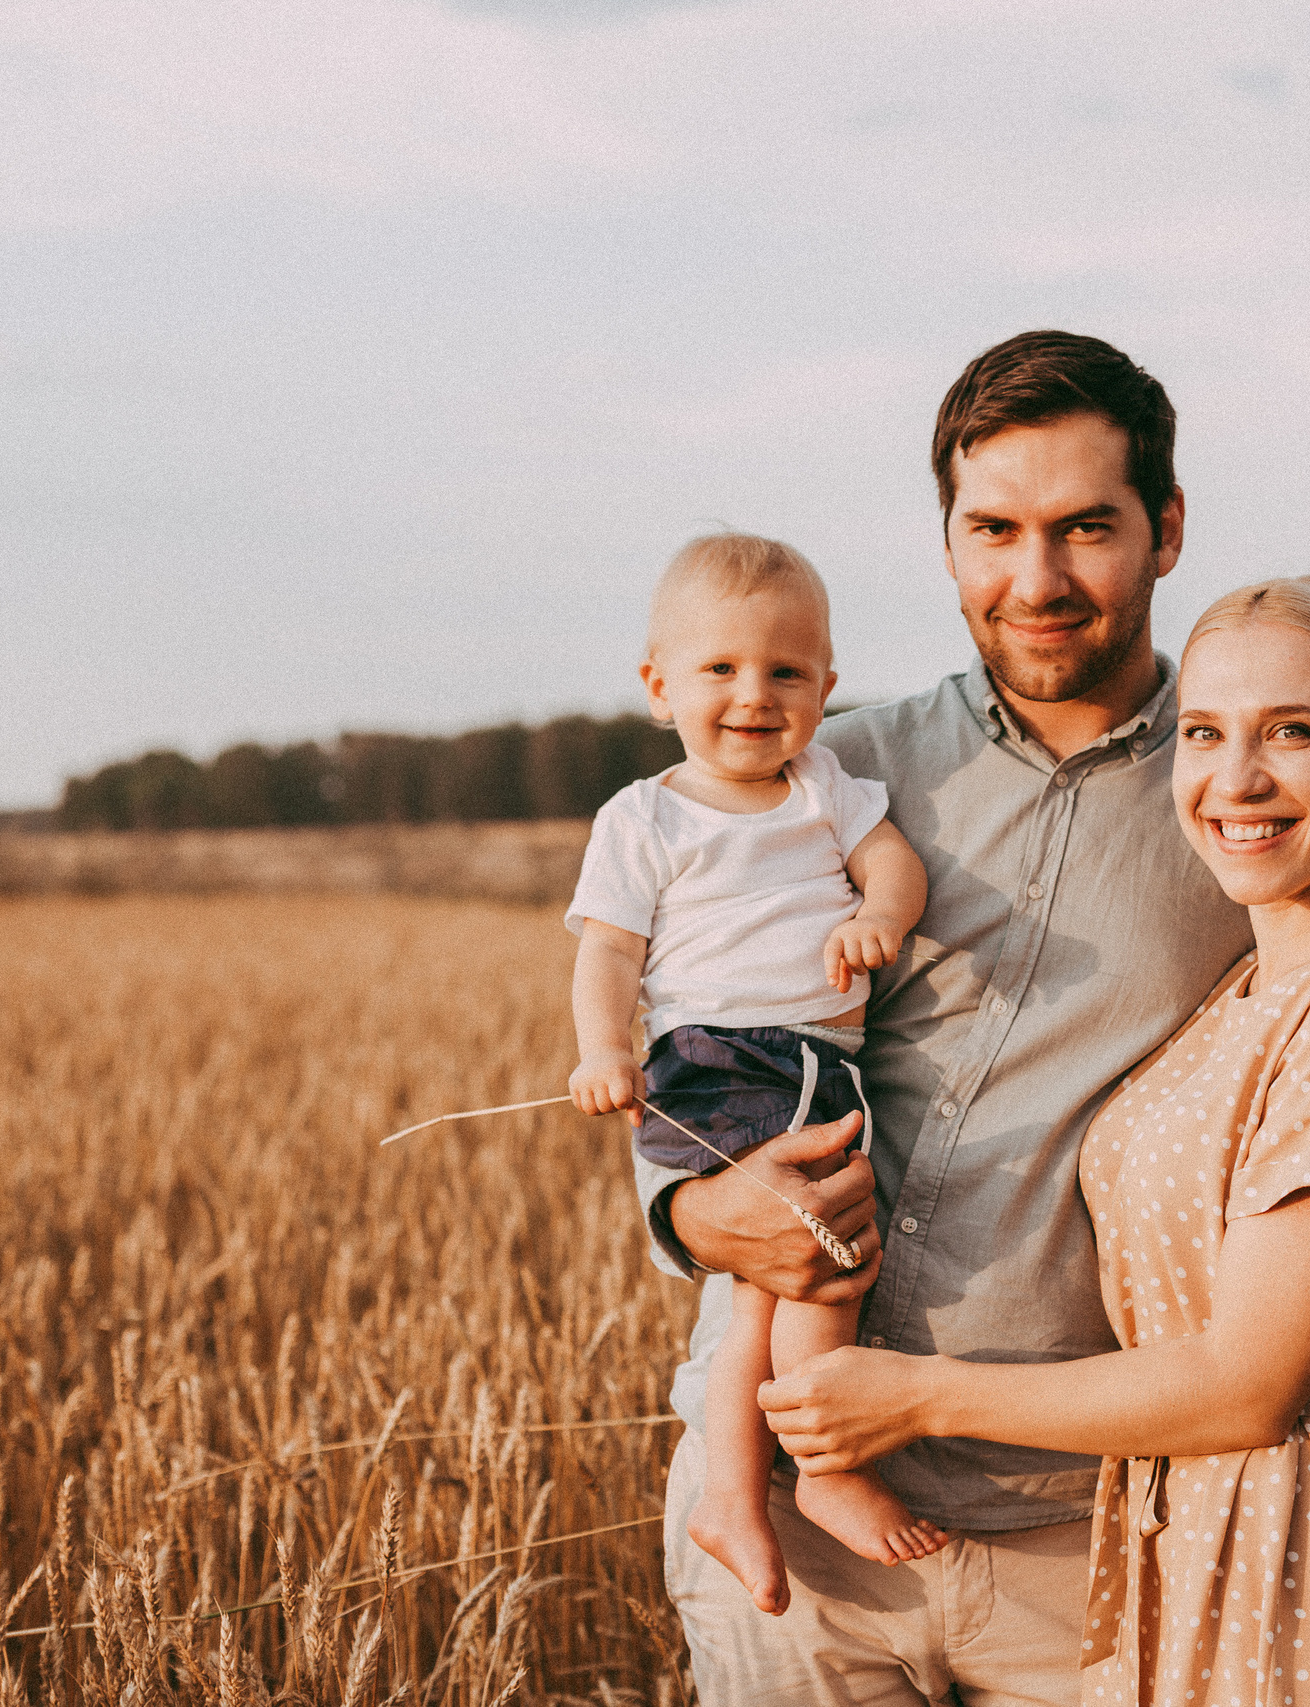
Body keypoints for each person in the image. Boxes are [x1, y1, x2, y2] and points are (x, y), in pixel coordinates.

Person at [630, 332, 1310, 1703]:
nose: (1034, 581)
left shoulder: (1237, 802)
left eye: (1085, 527)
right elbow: (700, 1017)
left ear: (1165, 530)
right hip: (796, 1516)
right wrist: (679, 1213)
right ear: (947, 537)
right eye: (994, 530)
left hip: (1089, 1535)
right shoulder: (835, 770)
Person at [762, 576, 1310, 1703]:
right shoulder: (1254, 976)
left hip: (1294, 1561)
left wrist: (914, 1396)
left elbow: (1246, 1383)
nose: (1236, 779)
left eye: (1291, 732)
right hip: (1190, 1538)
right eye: (1205, 734)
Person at [563, 532, 944, 1617]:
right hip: (715, 1060)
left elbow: (895, 868)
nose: (752, 695)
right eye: (719, 670)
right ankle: (819, 1470)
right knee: (828, 1261)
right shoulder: (646, 817)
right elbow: (607, 953)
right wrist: (604, 1051)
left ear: (827, 686)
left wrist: (879, 916)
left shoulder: (824, 785)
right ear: (658, 686)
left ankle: (734, 1490)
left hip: (820, 1062)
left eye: (786, 672)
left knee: (762, 1294)